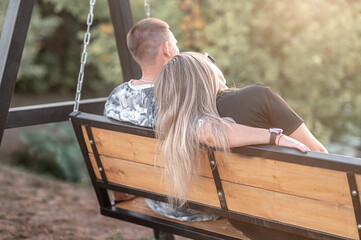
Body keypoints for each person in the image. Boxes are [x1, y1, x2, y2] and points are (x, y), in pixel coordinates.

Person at [104, 18, 323, 222]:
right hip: (195, 204)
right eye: (176, 43)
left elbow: (113, 155)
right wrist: (273, 135)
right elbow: (208, 131)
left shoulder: (116, 97)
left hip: (154, 200)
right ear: (167, 49)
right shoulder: (171, 100)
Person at [153, 52, 313, 240]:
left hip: (247, 223)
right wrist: (274, 137)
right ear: (206, 75)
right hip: (302, 221)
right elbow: (318, 153)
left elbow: (210, 131)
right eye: (207, 61)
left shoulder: (181, 128)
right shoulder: (257, 97)